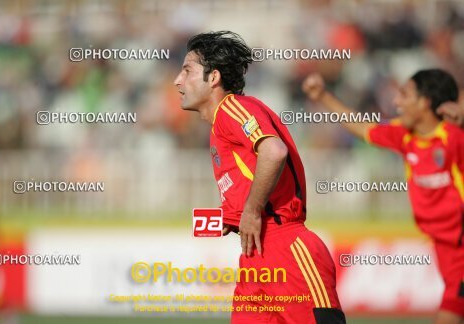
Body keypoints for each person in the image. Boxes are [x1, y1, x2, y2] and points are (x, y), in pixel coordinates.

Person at [174, 31, 346, 324]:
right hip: (255, 256)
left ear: (213, 77)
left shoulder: (232, 107)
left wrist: (252, 211)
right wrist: (226, 218)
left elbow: (274, 151)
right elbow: (246, 188)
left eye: (187, 70)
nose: (177, 80)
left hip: (287, 248)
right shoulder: (219, 126)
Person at [302, 69, 464, 324]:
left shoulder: (455, 139)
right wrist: (322, 96)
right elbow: (363, 127)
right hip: (445, 251)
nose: (396, 102)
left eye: (404, 95)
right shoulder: (406, 135)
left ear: (425, 102)